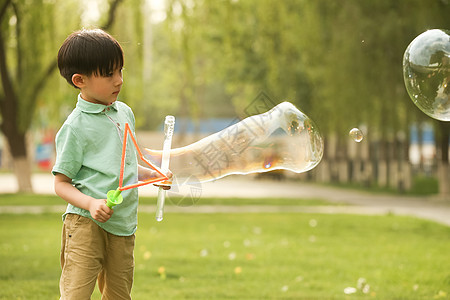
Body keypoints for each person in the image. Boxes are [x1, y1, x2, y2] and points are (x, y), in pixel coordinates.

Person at [52, 28, 166, 299]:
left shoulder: (124, 113)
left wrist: (154, 174)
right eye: (109, 74)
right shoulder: (75, 127)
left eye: (120, 71)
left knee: (119, 295)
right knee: (76, 294)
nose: (119, 81)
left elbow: (124, 166)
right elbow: (60, 184)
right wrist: (91, 203)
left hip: (122, 224)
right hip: (85, 224)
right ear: (80, 80)